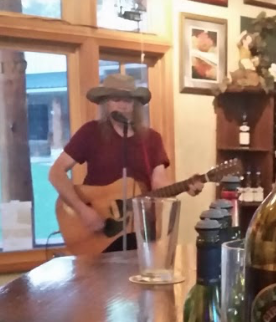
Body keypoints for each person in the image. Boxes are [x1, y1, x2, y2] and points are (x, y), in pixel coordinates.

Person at [49, 74, 201, 253]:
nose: (123, 105)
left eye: (128, 100)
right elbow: (56, 173)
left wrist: (185, 186)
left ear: (135, 104)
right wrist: (83, 210)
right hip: (101, 231)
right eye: (116, 99)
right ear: (106, 103)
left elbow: (159, 182)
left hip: (140, 230)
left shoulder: (151, 139)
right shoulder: (90, 132)